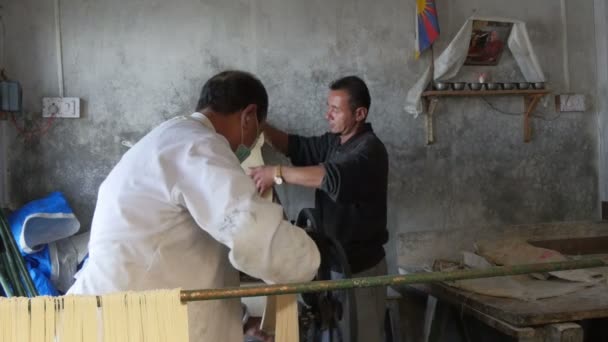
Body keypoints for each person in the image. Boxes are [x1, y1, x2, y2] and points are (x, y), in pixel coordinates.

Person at [68, 70, 321, 342]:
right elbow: (252, 232)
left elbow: (189, 256)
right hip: (128, 322)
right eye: (256, 135)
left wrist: (242, 321)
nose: (249, 146)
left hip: (114, 312)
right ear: (248, 116)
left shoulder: (168, 138)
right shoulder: (199, 146)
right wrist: (310, 259)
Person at [249, 75, 389, 342]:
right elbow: (297, 147)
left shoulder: (369, 151)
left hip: (360, 270)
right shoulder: (335, 142)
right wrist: (260, 126)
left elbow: (332, 178)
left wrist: (275, 173)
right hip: (331, 265)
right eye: (328, 107)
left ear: (359, 113)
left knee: (362, 336)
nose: (328, 114)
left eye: (336, 109)